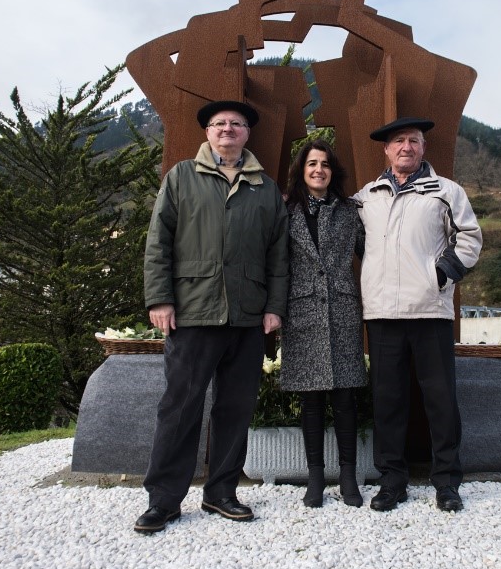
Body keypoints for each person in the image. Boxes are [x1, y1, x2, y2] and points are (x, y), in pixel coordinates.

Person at [134, 100, 289, 534]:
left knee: (235, 408)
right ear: (207, 132)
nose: (227, 129)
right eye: (219, 124)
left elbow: (279, 255)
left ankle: (221, 492)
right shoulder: (182, 176)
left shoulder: (265, 187)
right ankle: (163, 500)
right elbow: (158, 241)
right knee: (179, 408)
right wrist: (160, 299)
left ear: (246, 134)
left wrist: (275, 306)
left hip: (246, 316)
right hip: (192, 313)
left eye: (236, 124)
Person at [352, 116, 483, 513]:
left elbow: (470, 236)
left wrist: (441, 274)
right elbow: (356, 241)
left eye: (414, 141)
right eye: (398, 141)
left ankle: (447, 482)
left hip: (430, 310)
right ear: (386, 150)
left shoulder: (447, 191)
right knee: (388, 400)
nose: (406, 147)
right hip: (382, 313)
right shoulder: (366, 196)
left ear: (423, 148)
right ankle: (392, 481)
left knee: (440, 399)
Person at [279, 140, 367, 508]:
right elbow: (276, 262)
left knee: (345, 399)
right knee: (310, 401)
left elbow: (372, 253)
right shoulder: (285, 211)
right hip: (301, 313)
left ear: (334, 171)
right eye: (312, 163)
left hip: (343, 310)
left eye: (326, 164)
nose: (319, 169)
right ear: (302, 169)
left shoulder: (350, 211)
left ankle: (348, 476)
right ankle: (315, 477)